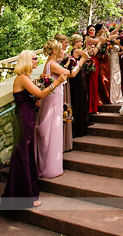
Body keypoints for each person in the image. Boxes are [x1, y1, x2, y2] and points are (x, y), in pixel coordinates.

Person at [2, 50, 67, 208]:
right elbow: (40, 93)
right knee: (23, 154)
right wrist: (56, 83)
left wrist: (35, 101)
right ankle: (23, 196)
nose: (37, 61)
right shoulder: (22, 78)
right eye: (34, 58)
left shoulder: (25, 78)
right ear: (26, 60)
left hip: (27, 117)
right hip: (24, 119)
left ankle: (23, 194)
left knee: (25, 154)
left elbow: (31, 98)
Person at [35, 39, 85, 178]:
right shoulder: (52, 64)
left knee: (52, 130)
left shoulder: (50, 64)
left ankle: (49, 163)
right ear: (55, 51)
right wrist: (81, 61)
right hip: (52, 102)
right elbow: (72, 74)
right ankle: (50, 167)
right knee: (52, 130)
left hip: (54, 100)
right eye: (61, 50)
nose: (64, 51)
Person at [69, 34, 90, 137]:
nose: (81, 43)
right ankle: (81, 127)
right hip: (78, 76)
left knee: (77, 98)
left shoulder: (71, 52)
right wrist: (87, 48)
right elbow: (87, 55)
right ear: (75, 42)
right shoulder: (76, 51)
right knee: (81, 98)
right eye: (80, 42)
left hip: (77, 74)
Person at [54, 33, 73, 151]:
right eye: (66, 42)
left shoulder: (64, 55)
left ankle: (65, 141)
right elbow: (68, 72)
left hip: (64, 84)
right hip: (60, 84)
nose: (67, 44)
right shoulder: (55, 59)